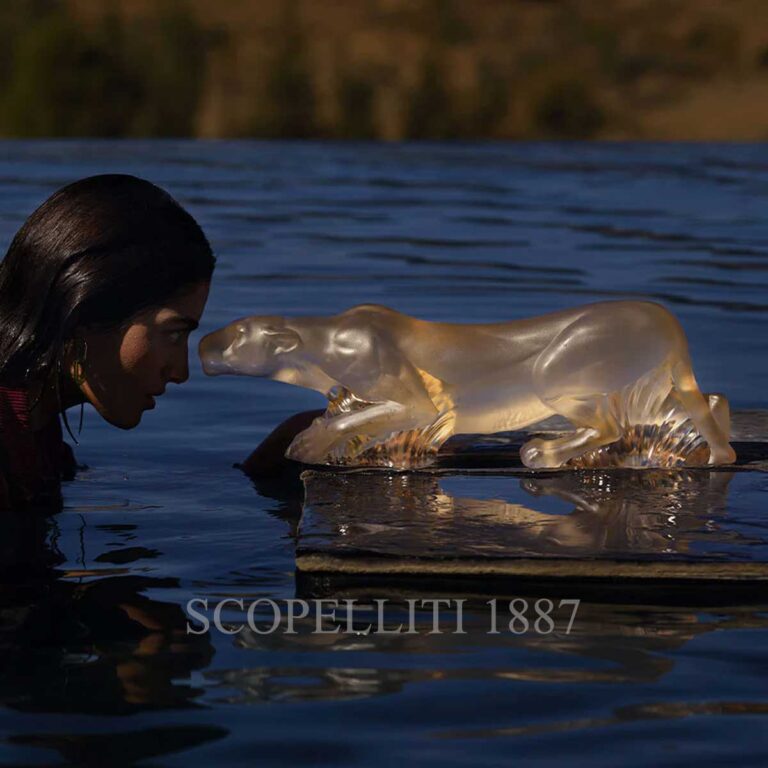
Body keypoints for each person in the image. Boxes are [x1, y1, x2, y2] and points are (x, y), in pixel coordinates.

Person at [0, 174, 214, 512]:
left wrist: (277, 452)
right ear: (85, 315)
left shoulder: (35, 429)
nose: (181, 372)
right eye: (173, 334)